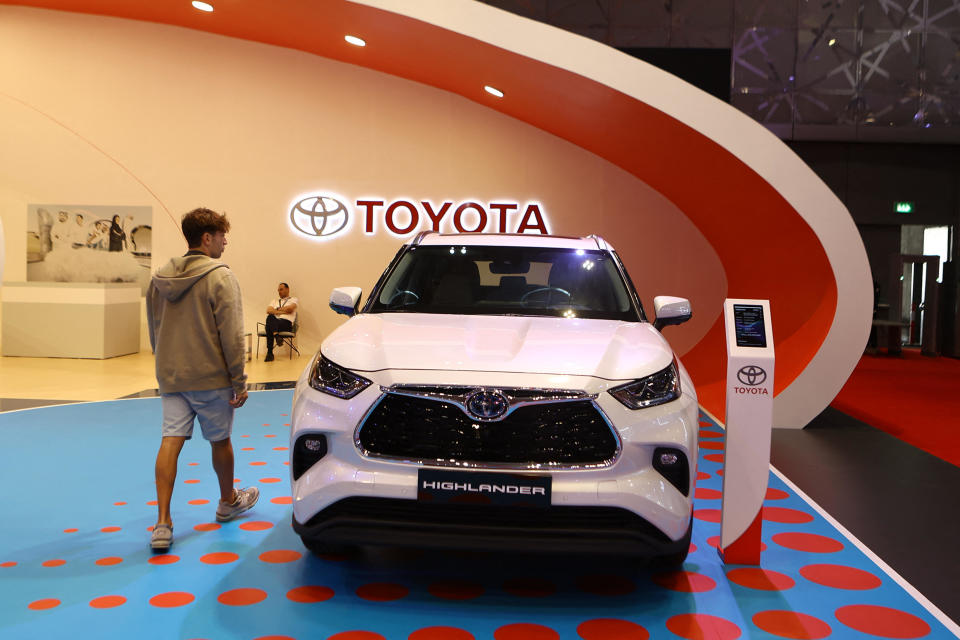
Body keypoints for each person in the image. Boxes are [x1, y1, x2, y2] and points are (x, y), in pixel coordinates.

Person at [145, 207, 257, 551]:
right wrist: (238, 381)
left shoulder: (159, 278)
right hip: (212, 379)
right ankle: (227, 502)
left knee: (170, 441)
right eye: (222, 235)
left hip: (172, 375)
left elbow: (154, 328)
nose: (225, 242)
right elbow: (232, 335)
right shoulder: (221, 277)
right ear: (207, 238)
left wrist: (164, 364)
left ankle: (162, 523)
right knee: (220, 441)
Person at [263, 282, 298, 362]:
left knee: (269, 324)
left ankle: (270, 353)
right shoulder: (274, 301)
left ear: (287, 289)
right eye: (278, 290)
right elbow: (268, 310)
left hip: (286, 324)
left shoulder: (293, 299)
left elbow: (290, 309)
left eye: (281, 289)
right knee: (270, 317)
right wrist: (283, 311)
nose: (279, 292)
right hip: (274, 322)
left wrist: (276, 310)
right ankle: (277, 336)